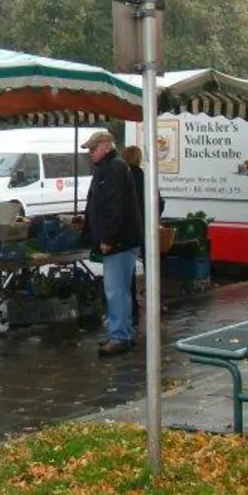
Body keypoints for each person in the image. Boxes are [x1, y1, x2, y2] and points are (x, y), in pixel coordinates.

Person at [79, 130, 142, 356]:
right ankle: (123, 332)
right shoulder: (112, 167)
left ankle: (119, 337)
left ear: (106, 145)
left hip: (119, 242)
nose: (91, 153)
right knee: (121, 289)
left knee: (115, 290)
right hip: (125, 240)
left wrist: (108, 238)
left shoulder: (112, 169)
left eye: (93, 149)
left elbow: (114, 207)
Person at [119, 145, 163, 324]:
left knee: (128, 270)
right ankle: (155, 303)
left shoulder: (123, 179)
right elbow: (159, 202)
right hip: (148, 229)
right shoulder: (147, 177)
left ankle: (133, 307)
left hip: (130, 231)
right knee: (150, 267)